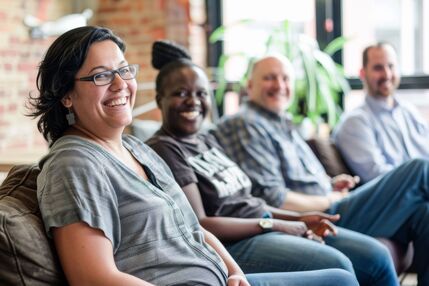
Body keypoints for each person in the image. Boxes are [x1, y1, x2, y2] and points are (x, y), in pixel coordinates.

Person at [26, 26, 358, 286]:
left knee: (341, 277)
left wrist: (234, 272)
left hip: (221, 278)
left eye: (125, 71)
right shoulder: (73, 164)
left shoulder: (136, 149)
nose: (120, 84)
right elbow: (93, 278)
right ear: (66, 94)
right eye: (101, 75)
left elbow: (195, 229)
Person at [145, 40, 394, 286]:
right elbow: (201, 223)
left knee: (376, 256)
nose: (193, 101)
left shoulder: (206, 140)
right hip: (234, 244)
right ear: (160, 100)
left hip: (263, 227)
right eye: (180, 93)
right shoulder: (165, 148)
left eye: (201, 93)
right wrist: (277, 224)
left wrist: (299, 218)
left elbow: (250, 202)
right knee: (340, 267)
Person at [213, 54, 429, 286]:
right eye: (270, 78)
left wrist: (331, 183)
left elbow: (296, 179)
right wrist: (329, 197)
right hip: (320, 216)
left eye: (286, 79)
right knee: (418, 170)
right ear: (250, 85)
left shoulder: (280, 122)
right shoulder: (249, 124)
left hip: (330, 203)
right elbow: (275, 197)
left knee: (424, 213)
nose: (280, 85)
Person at [332, 42, 429, 183]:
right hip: (405, 199)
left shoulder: (409, 111)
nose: (387, 74)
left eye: (391, 66)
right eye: (378, 68)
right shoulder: (355, 123)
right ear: (362, 73)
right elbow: (380, 179)